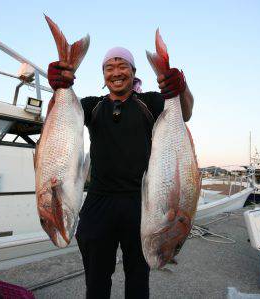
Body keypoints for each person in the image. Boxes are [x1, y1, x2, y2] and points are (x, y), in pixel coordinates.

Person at [47, 47, 194, 299]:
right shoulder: (91, 106)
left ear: (133, 72)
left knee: (138, 278)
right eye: (109, 68)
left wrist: (180, 87)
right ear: (104, 75)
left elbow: (186, 112)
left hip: (141, 203)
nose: (116, 72)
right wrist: (58, 87)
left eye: (122, 66)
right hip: (98, 202)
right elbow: (56, 118)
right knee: (95, 279)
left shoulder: (150, 102)